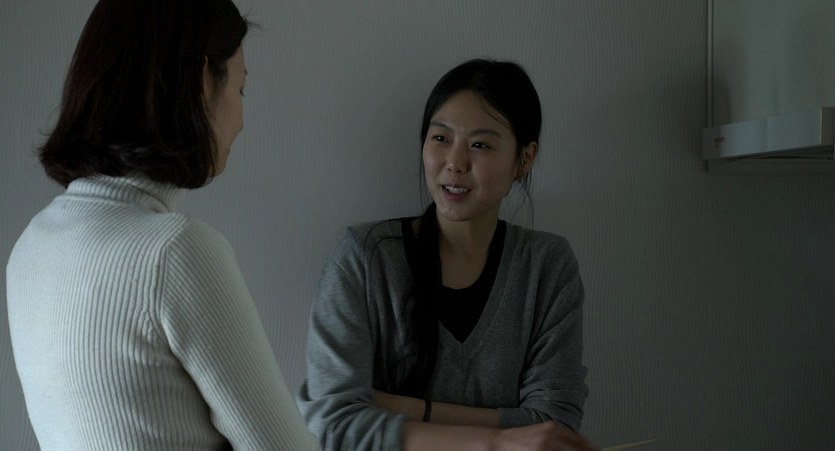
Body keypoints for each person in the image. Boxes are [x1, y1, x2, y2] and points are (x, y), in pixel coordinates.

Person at [5, 0, 319, 449]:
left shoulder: (32, 244)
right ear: (202, 82)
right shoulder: (175, 250)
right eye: (241, 89)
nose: (242, 120)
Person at [298, 59, 596, 450]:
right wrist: (496, 442)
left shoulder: (547, 265)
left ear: (524, 159)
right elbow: (335, 424)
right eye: (440, 138)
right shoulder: (364, 256)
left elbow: (555, 424)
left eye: (480, 144)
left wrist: (402, 408)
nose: (455, 163)